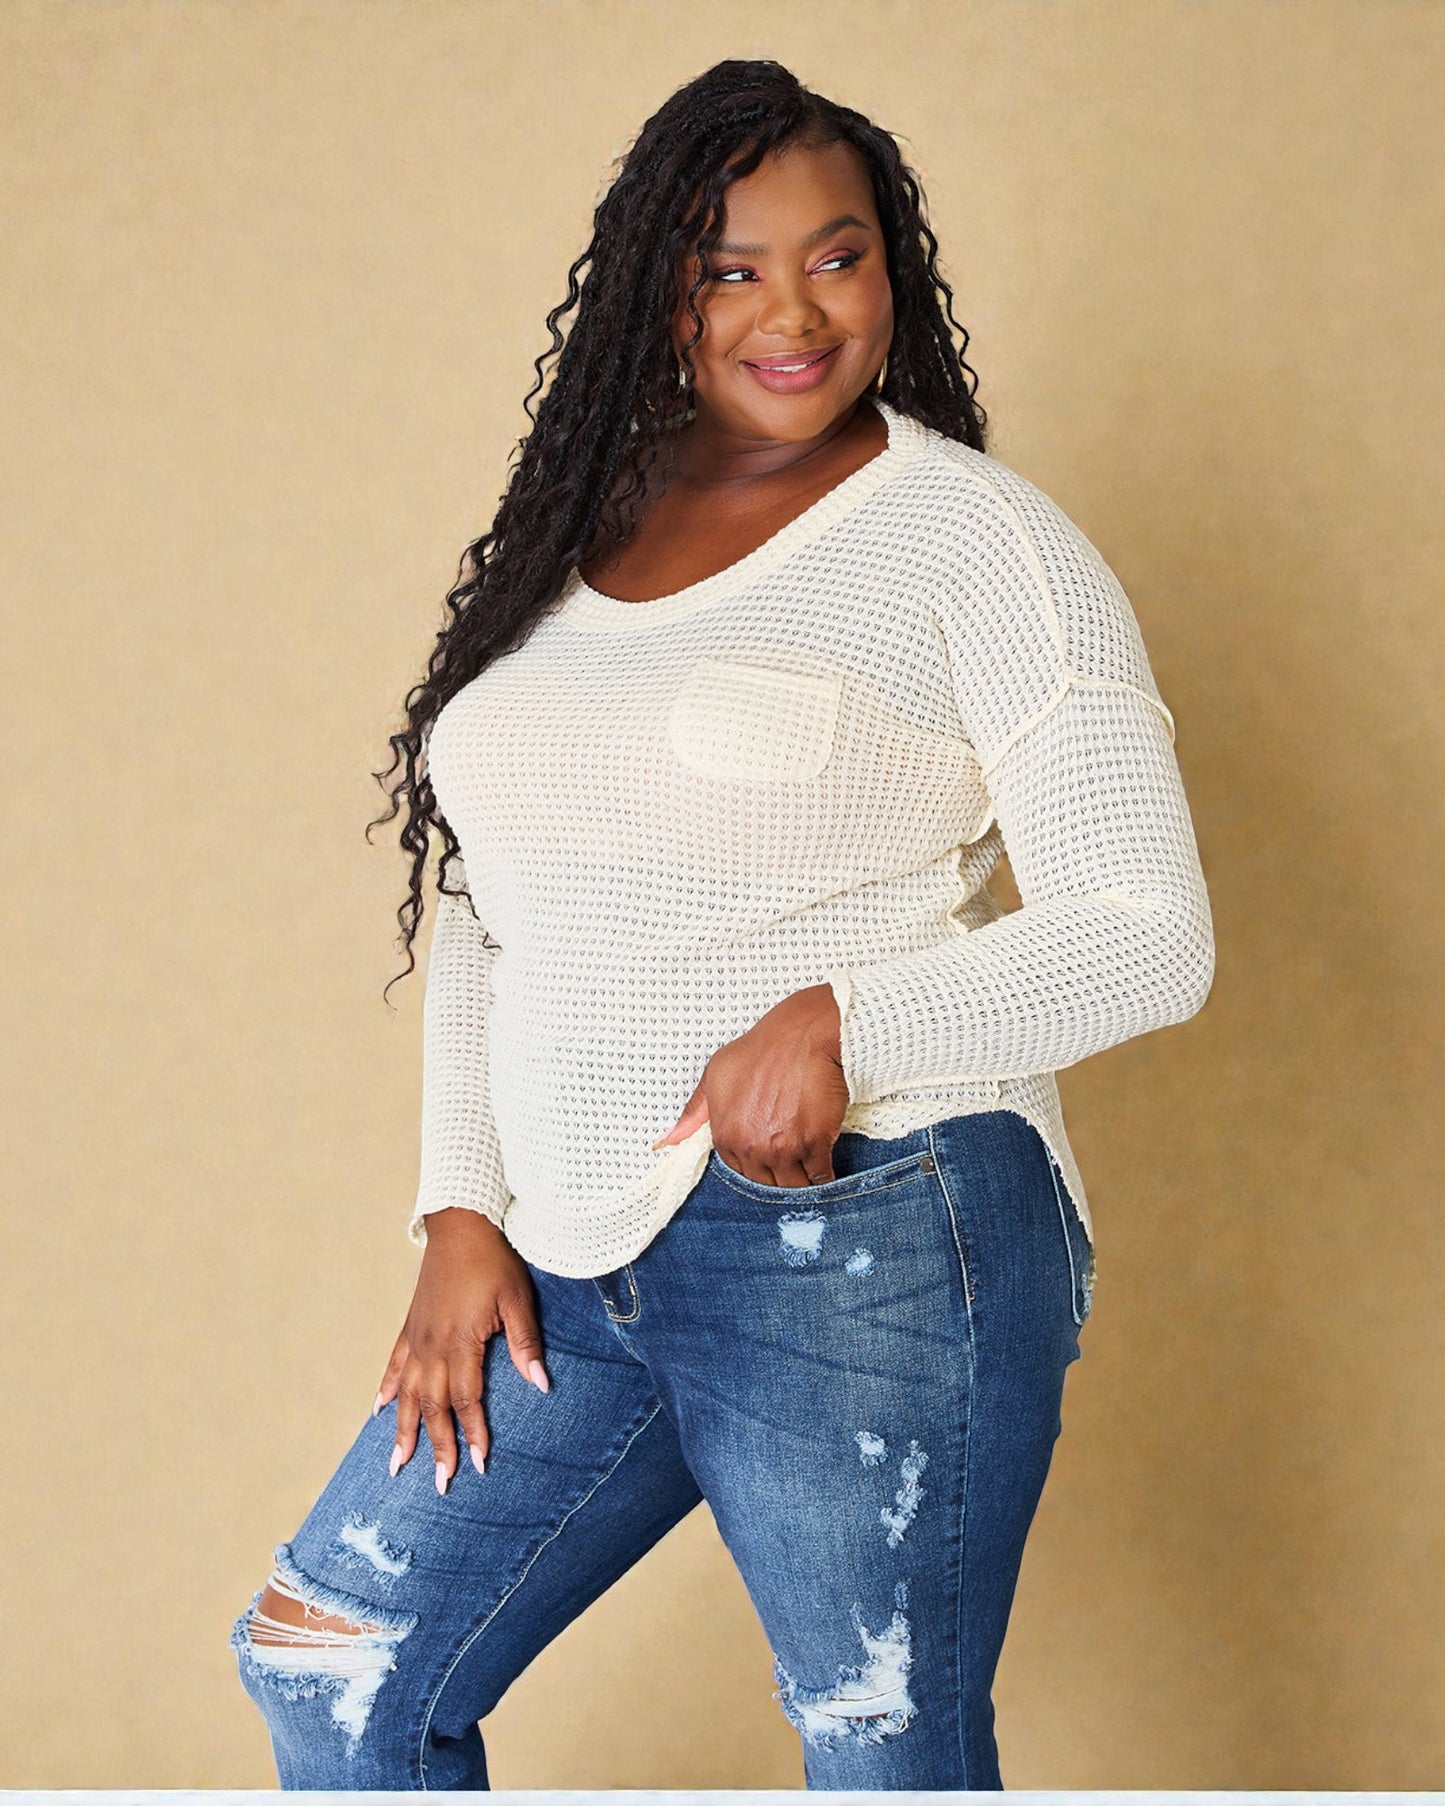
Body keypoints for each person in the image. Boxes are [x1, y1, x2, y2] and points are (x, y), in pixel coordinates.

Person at [230, 58, 1214, 1791]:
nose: (790, 313)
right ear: (654, 291)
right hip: (567, 1248)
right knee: (331, 1667)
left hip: (866, 1223)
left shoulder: (975, 543)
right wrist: (461, 1205)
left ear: (889, 276)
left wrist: (845, 1026)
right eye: (729, 264)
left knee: (877, 1745)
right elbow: (490, 903)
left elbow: (1146, 927)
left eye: (834, 259)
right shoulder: (579, 525)